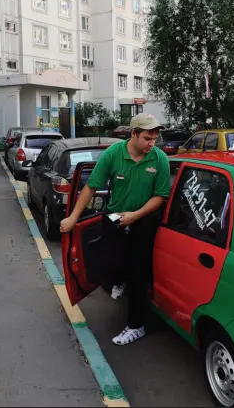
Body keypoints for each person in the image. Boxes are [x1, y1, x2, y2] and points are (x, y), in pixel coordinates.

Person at [60, 113, 171, 346]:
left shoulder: (159, 159)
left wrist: (135, 216)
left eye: (155, 138)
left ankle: (135, 326)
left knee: (138, 273)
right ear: (133, 134)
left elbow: (160, 197)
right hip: (114, 216)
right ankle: (120, 278)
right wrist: (72, 217)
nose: (152, 143)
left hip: (143, 220)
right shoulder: (113, 155)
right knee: (108, 264)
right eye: (147, 138)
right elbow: (91, 187)